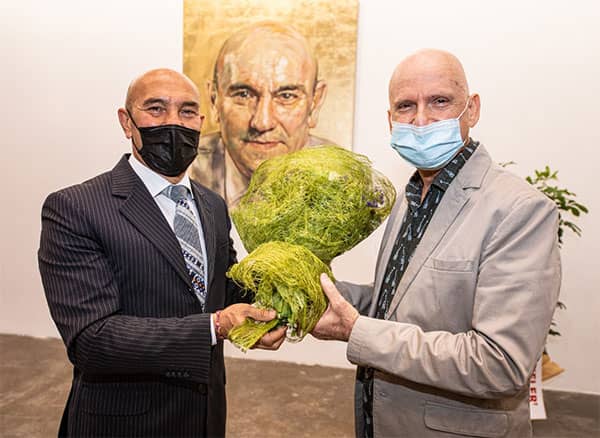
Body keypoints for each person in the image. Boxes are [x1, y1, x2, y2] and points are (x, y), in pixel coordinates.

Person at [312, 49, 561, 437]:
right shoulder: (410, 198)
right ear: (390, 119)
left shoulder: (519, 210)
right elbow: (403, 300)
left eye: (440, 101)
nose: (422, 120)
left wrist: (357, 331)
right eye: (405, 106)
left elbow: (499, 363)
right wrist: (327, 295)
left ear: (472, 109)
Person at [38, 68, 286, 438]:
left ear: (201, 121)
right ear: (127, 122)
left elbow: (225, 289)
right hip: (123, 423)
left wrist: (285, 291)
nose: (174, 122)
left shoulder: (212, 205)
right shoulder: (75, 208)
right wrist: (216, 326)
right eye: (156, 109)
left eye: (187, 111)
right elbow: (92, 339)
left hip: (204, 417)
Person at [189, 21, 330, 206]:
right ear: (215, 101)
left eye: (286, 96)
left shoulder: (344, 181)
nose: (262, 122)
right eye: (243, 95)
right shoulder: (181, 174)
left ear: (315, 102)